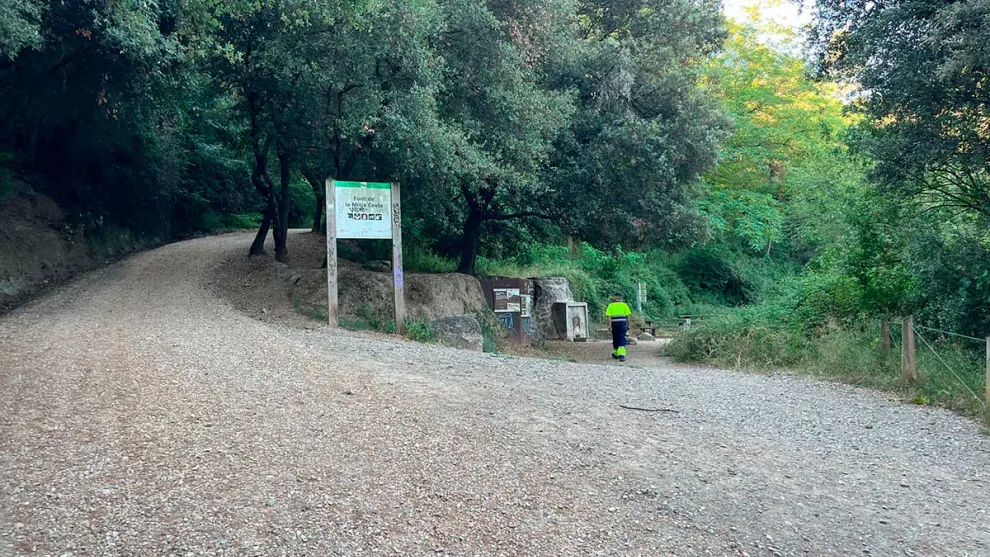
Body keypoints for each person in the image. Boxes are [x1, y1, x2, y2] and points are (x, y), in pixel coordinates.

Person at [605, 294, 632, 362]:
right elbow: (628, 316)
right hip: (622, 324)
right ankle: (621, 355)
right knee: (622, 337)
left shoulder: (610, 305)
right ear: (620, 299)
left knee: (615, 337)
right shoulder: (624, 305)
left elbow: (608, 317)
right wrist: (629, 325)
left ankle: (616, 352)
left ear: (614, 299)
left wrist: (609, 326)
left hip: (614, 324)